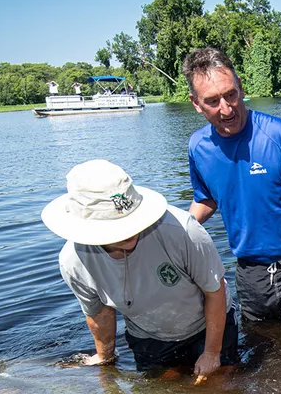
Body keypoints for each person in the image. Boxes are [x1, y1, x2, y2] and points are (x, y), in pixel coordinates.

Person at [184, 47, 281, 342]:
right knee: (260, 352)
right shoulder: (198, 147)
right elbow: (206, 199)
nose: (226, 109)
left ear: (241, 87)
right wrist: (176, 232)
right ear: (196, 104)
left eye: (231, 95)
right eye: (213, 101)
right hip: (249, 274)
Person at [42, 159, 238, 377]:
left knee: (219, 384)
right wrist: (105, 358)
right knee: (160, 392)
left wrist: (212, 352)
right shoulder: (73, 261)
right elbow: (99, 312)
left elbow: (214, 291)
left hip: (206, 322)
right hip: (147, 334)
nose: (129, 232)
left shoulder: (183, 231)